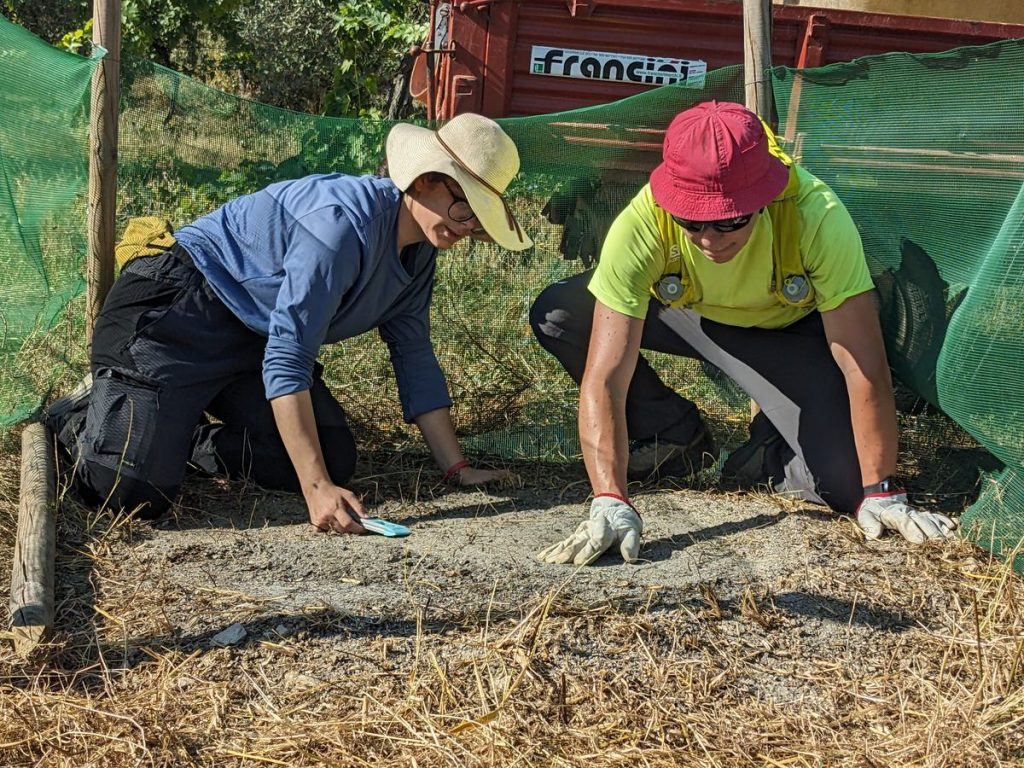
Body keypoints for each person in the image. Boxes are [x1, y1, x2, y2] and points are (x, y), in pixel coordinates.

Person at [46, 113, 532, 533]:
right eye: (462, 205)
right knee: (130, 490)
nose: (466, 226)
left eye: (478, 218)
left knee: (335, 455)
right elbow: (289, 356)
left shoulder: (422, 252)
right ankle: (83, 415)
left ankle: (179, 429)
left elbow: (413, 352)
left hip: (249, 340)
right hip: (177, 310)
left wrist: (457, 468)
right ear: (423, 180)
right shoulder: (341, 226)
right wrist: (316, 490)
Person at [529, 101, 956, 566]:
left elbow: (863, 364)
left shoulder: (816, 215)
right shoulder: (644, 221)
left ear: (765, 198)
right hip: (687, 317)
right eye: (691, 220)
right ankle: (671, 436)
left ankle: (771, 454)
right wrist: (609, 497)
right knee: (561, 313)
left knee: (848, 488)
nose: (711, 238)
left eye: (731, 219)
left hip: (785, 335)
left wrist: (882, 490)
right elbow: (607, 373)